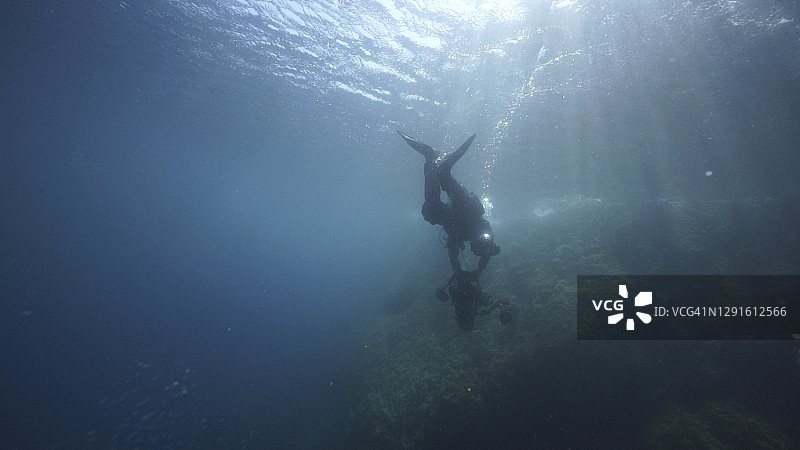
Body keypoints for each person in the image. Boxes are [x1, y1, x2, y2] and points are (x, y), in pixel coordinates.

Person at [397, 130, 500, 281]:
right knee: (460, 201)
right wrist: (478, 270)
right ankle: (443, 172)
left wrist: (459, 271)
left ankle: (430, 159)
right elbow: (485, 251)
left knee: (430, 213)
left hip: (453, 214)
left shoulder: (460, 237)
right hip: (465, 209)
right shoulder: (483, 232)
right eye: (478, 249)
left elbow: (453, 253)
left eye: (476, 249)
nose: (474, 248)